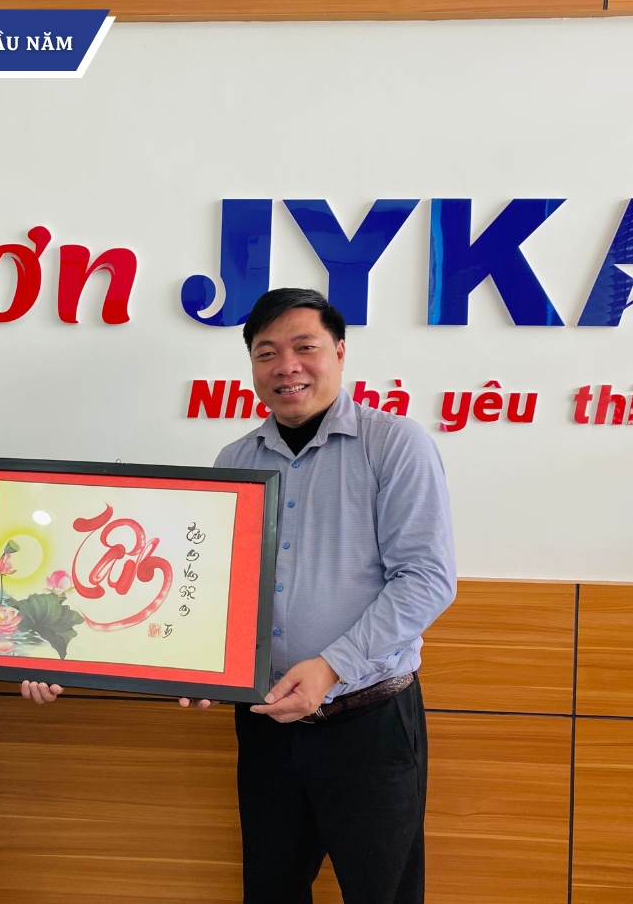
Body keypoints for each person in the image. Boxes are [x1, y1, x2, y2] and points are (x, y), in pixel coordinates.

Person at [23, 287, 456, 904]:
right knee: (271, 890)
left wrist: (332, 666)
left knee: (382, 893)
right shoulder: (236, 459)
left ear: (339, 352)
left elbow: (426, 578)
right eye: (266, 352)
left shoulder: (394, 443)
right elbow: (213, 586)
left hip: (367, 722)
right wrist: (203, 664)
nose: (287, 366)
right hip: (265, 722)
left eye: (305, 347)